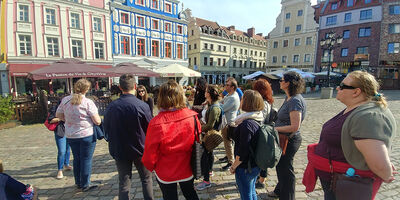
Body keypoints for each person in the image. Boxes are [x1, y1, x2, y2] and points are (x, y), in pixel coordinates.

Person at [303, 70, 397, 200]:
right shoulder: (356, 108)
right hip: (338, 182)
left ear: (356, 92)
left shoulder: (368, 116)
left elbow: (379, 164)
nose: (337, 88)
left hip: (348, 185)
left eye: (342, 86)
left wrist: (386, 174)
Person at [142, 80, 199, 200]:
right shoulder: (192, 117)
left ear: (161, 97)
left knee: (169, 197)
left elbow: (149, 154)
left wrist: (152, 166)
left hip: (165, 170)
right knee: (190, 193)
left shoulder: (156, 123)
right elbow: (197, 140)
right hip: (187, 166)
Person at [104, 75, 154, 200]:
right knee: (146, 179)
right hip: (140, 148)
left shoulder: (111, 106)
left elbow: (106, 128)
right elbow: (150, 128)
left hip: (120, 149)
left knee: (124, 182)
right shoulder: (142, 106)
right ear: (135, 87)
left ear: (120, 87)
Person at [56, 79, 101, 192]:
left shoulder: (65, 100)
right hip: (86, 134)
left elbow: (58, 114)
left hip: (71, 134)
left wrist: (68, 120)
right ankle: (86, 183)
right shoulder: (87, 102)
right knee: (86, 159)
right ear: (87, 89)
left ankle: (78, 182)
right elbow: (97, 121)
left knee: (77, 158)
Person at [268, 71, 306, 200]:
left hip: (289, 139)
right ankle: (279, 190)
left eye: (281, 80)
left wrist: (274, 129)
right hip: (283, 138)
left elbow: (295, 126)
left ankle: (288, 197)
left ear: (288, 83)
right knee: (281, 167)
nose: (279, 82)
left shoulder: (295, 100)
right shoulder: (289, 97)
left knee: (285, 169)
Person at [229, 90, 265, 200]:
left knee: (246, 195)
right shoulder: (257, 117)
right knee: (251, 190)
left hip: (246, 166)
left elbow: (243, 150)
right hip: (254, 164)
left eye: (242, 98)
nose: (240, 100)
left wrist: (234, 166)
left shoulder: (247, 124)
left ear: (247, 102)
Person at [195, 85, 222, 191]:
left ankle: (206, 181)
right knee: (209, 153)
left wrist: (198, 128)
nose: (204, 92)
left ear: (209, 94)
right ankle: (209, 171)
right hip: (207, 133)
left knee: (205, 157)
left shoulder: (215, 108)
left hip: (208, 134)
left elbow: (210, 125)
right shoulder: (211, 104)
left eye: (206, 91)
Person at [252, 79, 274, 188]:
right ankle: (259, 177)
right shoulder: (266, 101)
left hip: (262, 132)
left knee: (263, 156)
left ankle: (262, 180)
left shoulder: (264, 103)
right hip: (262, 131)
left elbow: (261, 119)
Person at [219, 77, 240, 170]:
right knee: (227, 142)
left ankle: (231, 161)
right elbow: (220, 102)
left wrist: (216, 105)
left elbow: (222, 108)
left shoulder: (233, 97)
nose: (225, 86)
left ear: (232, 87)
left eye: (227, 85)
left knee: (228, 143)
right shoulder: (229, 95)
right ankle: (228, 156)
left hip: (230, 124)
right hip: (226, 123)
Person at [48, 100, 72, 179]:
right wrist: (61, 118)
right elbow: (51, 120)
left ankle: (66, 164)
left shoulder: (71, 108)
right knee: (62, 151)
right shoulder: (55, 109)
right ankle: (60, 170)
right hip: (60, 131)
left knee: (68, 149)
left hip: (70, 130)